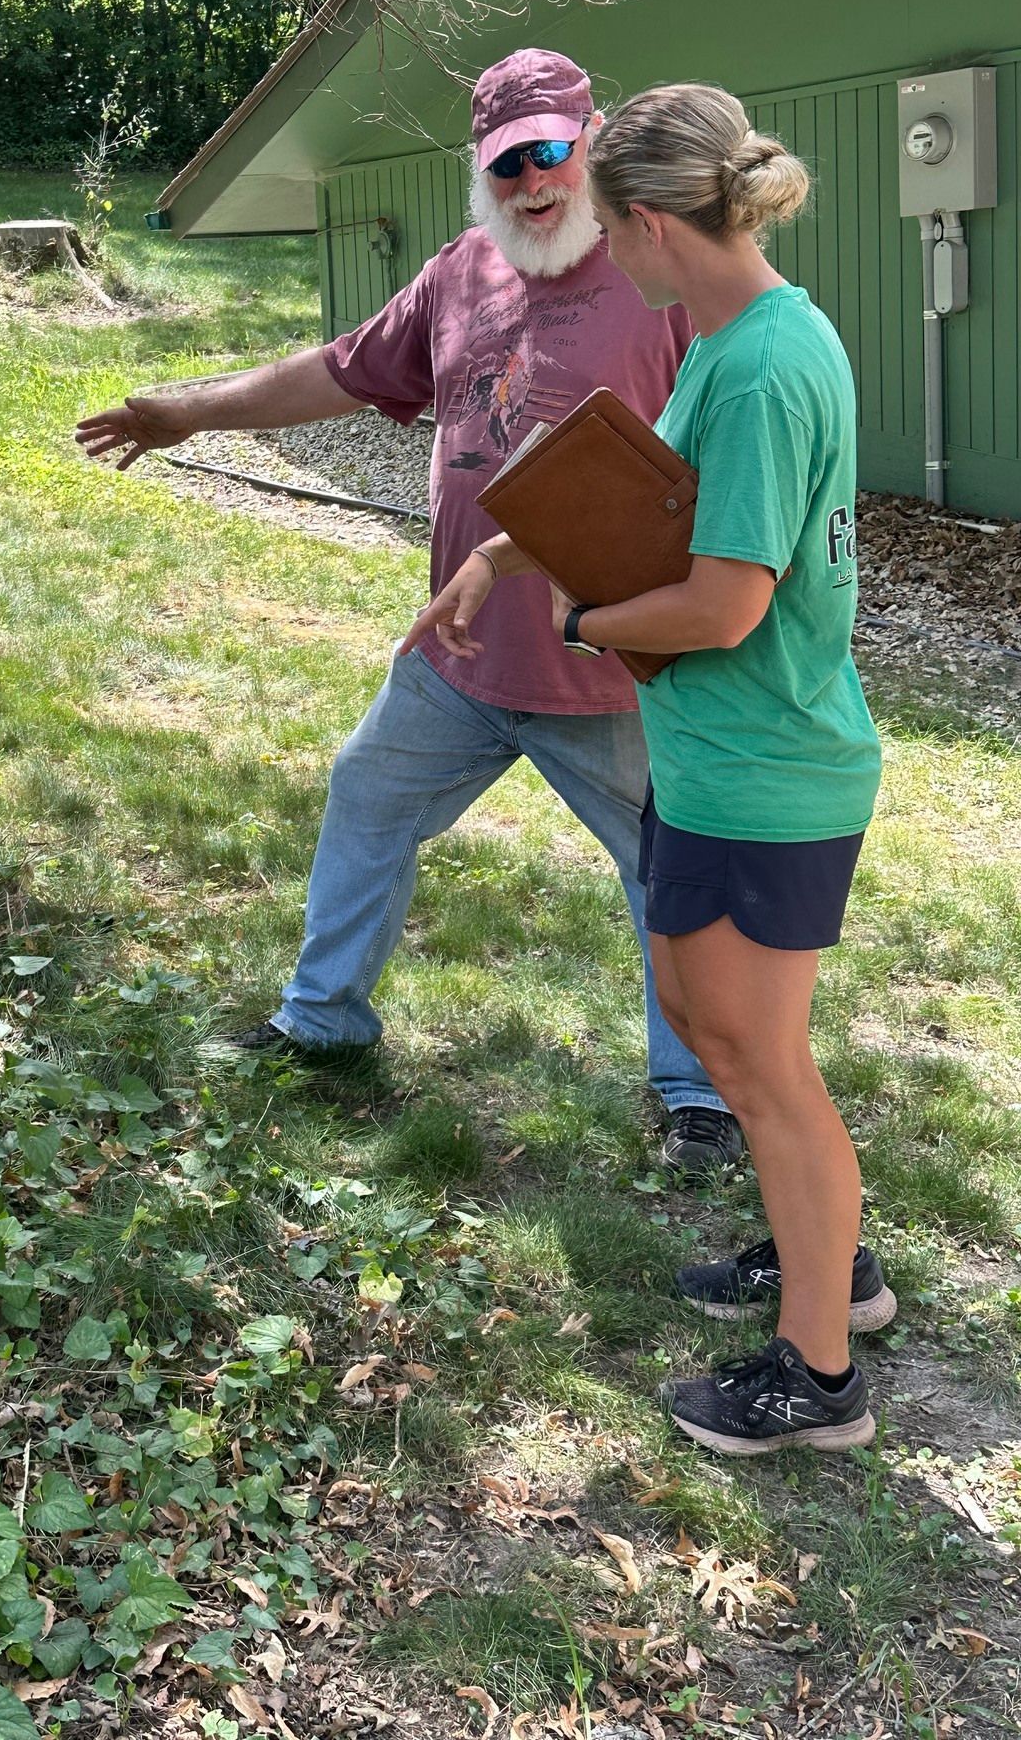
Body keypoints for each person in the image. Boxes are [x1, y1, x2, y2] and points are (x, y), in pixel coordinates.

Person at [76, 48, 741, 1176]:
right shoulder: (461, 274)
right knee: (366, 792)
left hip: (609, 667)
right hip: (464, 655)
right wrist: (188, 411)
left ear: (594, 142)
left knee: (668, 874)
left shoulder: (658, 278)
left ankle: (698, 1094)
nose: (534, 181)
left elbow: (725, 467)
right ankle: (322, 1019)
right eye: (507, 163)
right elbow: (339, 370)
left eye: (552, 153)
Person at [411, 81, 889, 1453]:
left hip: (767, 766)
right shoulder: (739, 337)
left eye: (614, 233)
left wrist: (577, 623)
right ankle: (827, 1263)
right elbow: (641, 495)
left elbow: (722, 605)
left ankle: (818, 1376)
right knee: (710, 1015)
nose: (605, 260)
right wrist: (507, 550)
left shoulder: (761, 365)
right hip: (712, 756)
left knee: (760, 1058)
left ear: (655, 225)